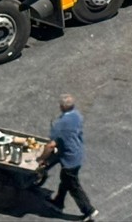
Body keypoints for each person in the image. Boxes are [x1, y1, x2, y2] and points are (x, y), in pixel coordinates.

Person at [37, 94, 98, 222]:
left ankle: (89, 210)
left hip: (69, 159)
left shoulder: (60, 124)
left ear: (62, 107)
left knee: (73, 185)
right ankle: (58, 202)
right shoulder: (78, 116)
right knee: (65, 179)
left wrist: (41, 159)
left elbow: (51, 145)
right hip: (77, 152)